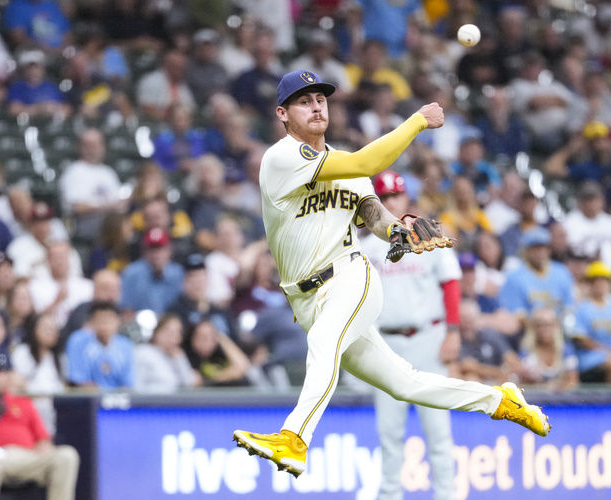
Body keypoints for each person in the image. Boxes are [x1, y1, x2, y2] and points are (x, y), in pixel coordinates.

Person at [232, 70, 550, 479]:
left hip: (350, 275)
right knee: (405, 383)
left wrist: (399, 231)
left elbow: (375, 217)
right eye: (303, 101)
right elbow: (369, 161)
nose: (315, 106)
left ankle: (293, 439)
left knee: (325, 342)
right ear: (282, 113)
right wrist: (417, 120)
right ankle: (500, 401)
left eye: (321, 99)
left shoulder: (348, 165)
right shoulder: (281, 158)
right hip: (306, 298)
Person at [360, 170, 461, 500]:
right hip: (387, 344)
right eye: (384, 197)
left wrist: (454, 331)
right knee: (389, 433)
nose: (391, 201)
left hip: (428, 339)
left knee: (438, 430)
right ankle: (390, 495)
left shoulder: (427, 231)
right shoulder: (366, 245)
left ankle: (446, 495)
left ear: (406, 197)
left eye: (396, 195)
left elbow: (450, 282)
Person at [0, 352, 79, 500]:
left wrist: (44, 446)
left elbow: (43, 439)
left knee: (67, 455)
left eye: (1, 373)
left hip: (28, 457)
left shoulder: (22, 402)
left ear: (9, 375)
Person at [65, 301, 134, 390]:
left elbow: (128, 384)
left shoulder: (125, 345)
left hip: (117, 400)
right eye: (100, 320)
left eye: (109, 321)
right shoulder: (78, 341)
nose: (104, 326)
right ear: (91, 322)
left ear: (118, 321)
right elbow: (77, 380)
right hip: (87, 399)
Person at [134, 313, 198, 393]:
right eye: (169, 332)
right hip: (150, 403)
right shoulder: (144, 352)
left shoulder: (176, 355)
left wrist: (180, 359)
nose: (174, 337)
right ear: (157, 332)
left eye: (178, 332)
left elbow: (190, 383)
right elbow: (136, 386)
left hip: (174, 403)